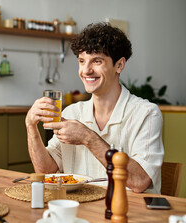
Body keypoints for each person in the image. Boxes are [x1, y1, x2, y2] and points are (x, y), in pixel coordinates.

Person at [25, 22, 163, 194]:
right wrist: (31, 127)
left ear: (119, 65)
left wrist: (88, 137)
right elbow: (46, 172)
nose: (86, 70)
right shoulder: (72, 113)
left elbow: (140, 181)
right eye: (82, 61)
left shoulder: (146, 114)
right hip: (81, 211)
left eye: (97, 61)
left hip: (129, 215)